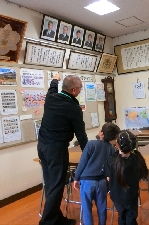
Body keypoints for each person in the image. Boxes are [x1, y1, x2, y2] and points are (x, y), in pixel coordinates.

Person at [38, 74, 88, 225]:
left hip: (42, 147)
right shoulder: (73, 108)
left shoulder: (51, 97)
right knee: (56, 185)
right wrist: (89, 154)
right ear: (73, 90)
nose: (80, 91)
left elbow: (52, 88)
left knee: (51, 184)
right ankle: (47, 222)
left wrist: (55, 79)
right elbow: (81, 136)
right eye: (79, 89)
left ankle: (56, 217)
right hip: (56, 150)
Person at [73, 123, 120, 225]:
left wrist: (76, 178)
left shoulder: (91, 144)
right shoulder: (111, 148)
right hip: (102, 182)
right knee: (102, 208)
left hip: (87, 181)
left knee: (87, 209)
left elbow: (82, 162)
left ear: (101, 133)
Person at [105, 130, 148, 225]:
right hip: (131, 196)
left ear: (117, 145)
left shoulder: (111, 159)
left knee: (121, 216)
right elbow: (141, 175)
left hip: (116, 196)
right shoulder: (137, 159)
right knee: (131, 218)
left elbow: (108, 178)